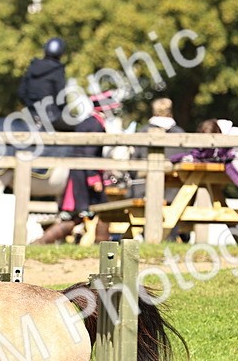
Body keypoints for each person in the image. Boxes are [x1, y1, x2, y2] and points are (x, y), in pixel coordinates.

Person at [36, 93, 115, 244]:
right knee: (103, 210)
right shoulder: (95, 125)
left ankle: (41, 242)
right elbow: (88, 152)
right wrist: (94, 178)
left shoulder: (88, 122)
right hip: (85, 174)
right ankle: (102, 246)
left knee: (77, 215)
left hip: (79, 173)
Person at [128, 97, 187, 199]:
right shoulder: (180, 133)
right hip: (176, 193)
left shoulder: (143, 131)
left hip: (144, 190)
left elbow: (133, 164)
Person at [18, 37, 74, 131]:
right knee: (80, 126)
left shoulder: (32, 67)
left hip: (31, 115)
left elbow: (21, 93)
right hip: (52, 117)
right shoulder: (57, 71)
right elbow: (61, 98)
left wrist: (32, 108)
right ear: (61, 53)